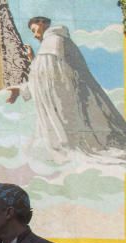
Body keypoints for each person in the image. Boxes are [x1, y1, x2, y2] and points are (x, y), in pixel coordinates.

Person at [7, 17, 126, 161]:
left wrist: (20, 89)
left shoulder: (53, 41)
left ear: (42, 23)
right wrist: (33, 60)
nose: (34, 34)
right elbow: (44, 74)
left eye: (34, 30)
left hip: (66, 100)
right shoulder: (54, 41)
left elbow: (46, 77)